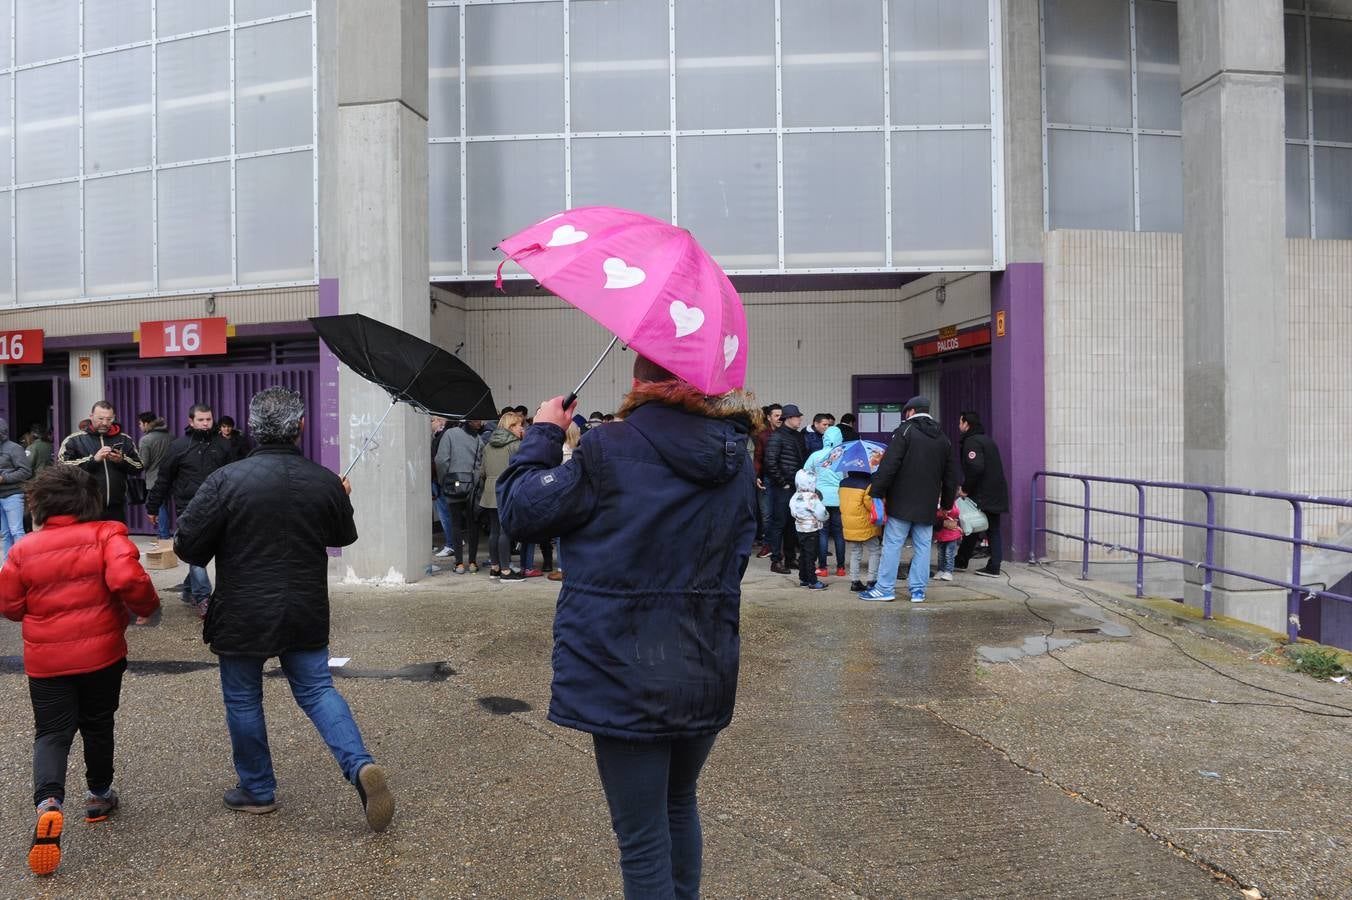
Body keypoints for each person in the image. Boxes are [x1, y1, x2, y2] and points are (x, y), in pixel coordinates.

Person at [497, 354, 757, 899]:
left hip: (622, 663)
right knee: (679, 802)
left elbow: (522, 511)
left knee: (640, 839)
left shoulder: (609, 446)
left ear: (639, 382)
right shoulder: (736, 455)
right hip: (703, 657)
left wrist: (544, 432)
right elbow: (736, 554)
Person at [173, 387, 394, 832]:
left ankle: (257, 790)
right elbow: (342, 537)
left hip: (242, 610)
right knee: (316, 691)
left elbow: (187, 545)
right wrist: (339, 494)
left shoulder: (225, 479)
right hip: (304, 606)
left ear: (252, 429)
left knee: (243, 698)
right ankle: (359, 764)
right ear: (300, 427)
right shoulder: (322, 479)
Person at [0, 465, 159, 876]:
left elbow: (10, 606)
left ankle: (49, 803)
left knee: (51, 733)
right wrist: (144, 609)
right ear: (89, 501)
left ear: (39, 504)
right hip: (101, 653)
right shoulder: (107, 533)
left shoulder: (23, 550)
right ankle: (99, 795)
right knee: (98, 722)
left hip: (46, 660)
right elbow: (127, 577)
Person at [859, 397, 959, 603]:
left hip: (901, 501)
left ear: (911, 412)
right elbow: (951, 476)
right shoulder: (943, 438)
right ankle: (918, 591)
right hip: (928, 503)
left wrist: (877, 491)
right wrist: (947, 504)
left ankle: (885, 588)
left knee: (893, 544)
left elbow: (889, 465)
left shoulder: (904, 432)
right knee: (923, 547)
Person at [146, 404, 234, 618]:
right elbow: (164, 479)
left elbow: (234, 476)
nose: (205, 423)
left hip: (218, 506)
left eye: (208, 419)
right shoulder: (178, 447)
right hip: (188, 508)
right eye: (201, 420)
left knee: (210, 552)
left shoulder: (223, 445)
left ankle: (188, 588)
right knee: (196, 552)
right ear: (191, 421)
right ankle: (204, 597)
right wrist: (153, 506)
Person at [58, 401, 143, 522]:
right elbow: (62, 467)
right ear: (91, 416)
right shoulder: (74, 440)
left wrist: (121, 460)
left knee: (116, 540)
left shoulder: (125, 439)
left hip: (117, 506)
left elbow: (139, 466)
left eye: (109, 419)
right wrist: (93, 460)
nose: (105, 423)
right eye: (101, 418)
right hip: (85, 505)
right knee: (89, 541)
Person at [955, 410, 1010, 577]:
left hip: (985, 494)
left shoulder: (972, 442)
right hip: (993, 491)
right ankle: (961, 560)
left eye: (960, 422)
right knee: (973, 525)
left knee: (992, 529)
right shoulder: (986, 440)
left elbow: (975, 468)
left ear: (966, 424)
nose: (959, 425)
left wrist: (965, 489)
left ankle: (994, 566)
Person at [480, 410, 525, 581]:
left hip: (490, 490)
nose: (522, 428)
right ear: (511, 426)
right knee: (505, 531)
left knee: (494, 531)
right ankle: (506, 571)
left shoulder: (488, 445)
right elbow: (519, 471)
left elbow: (482, 472)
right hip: (507, 489)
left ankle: (495, 568)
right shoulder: (515, 446)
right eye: (520, 424)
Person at [763, 403, 807, 574]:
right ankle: (776, 561)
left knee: (791, 524)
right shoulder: (777, 437)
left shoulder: (797, 436)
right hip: (783, 487)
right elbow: (770, 462)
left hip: (796, 486)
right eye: (797, 417)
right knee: (779, 523)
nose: (800, 419)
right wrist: (783, 483)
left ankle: (790, 559)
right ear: (788, 419)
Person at [440, 418, 485, 574]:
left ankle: (459, 563)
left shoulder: (450, 434)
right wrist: (477, 482)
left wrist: (444, 479)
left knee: (456, 524)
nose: (480, 422)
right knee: (473, 525)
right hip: (473, 487)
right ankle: (472, 562)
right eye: (477, 419)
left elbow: (441, 460)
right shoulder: (479, 439)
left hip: (454, 484)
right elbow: (480, 464)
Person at [803, 424, 846, 578]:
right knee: (839, 534)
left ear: (825, 438)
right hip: (839, 498)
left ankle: (823, 568)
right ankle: (841, 568)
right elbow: (847, 477)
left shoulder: (816, 455)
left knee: (822, 533)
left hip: (820, 499)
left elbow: (805, 473)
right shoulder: (844, 456)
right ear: (840, 439)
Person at [839, 469, 881, 592]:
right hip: (865, 524)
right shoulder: (867, 485)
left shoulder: (842, 484)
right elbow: (869, 506)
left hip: (849, 524)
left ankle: (855, 582)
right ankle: (871, 580)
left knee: (855, 552)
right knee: (874, 550)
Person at [137, 412, 173, 549]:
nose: (140, 427)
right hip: (171, 478)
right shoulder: (170, 436)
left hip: (154, 479)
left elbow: (143, 463)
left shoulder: (146, 440)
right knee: (166, 506)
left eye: (140, 424)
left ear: (146, 423)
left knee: (160, 507)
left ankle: (163, 537)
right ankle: (163, 536)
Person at [0, 418, 33, 564]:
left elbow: (26, 471)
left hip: (12, 494)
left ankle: (23, 564)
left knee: (16, 531)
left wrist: (4, 478)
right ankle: (8, 565)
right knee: (5, 534)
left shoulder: (14, 448)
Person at [789, 469, 829, 590]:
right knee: (811, 556)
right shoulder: (812, 497)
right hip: (811, 529)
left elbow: (792, 511)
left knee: (803, 554)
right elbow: (821, 512)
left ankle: (804, 578)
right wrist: (826, 517)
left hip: (800, 529)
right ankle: (813, 580)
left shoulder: (795, 496)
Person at [753, 404, 781, 558]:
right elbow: (758, 457)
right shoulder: (763, 435)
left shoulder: (787, 434)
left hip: (784, 480)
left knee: (783, 514)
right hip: (767, 479)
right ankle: (767, 544)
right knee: (766, 514)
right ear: (769, 417)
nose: (779, 419)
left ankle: (779, 546)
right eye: (776, 416)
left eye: (781, 416)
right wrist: (756, 475)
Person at [430, 416, 456, 559]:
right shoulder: (454, 434)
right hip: (451, 480)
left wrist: (439, 480)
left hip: (441, 481)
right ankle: (455, 540)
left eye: (432, 420)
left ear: (441, 421)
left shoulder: (442, 437)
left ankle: (451, 544)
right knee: (451, 513)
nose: (430, 424)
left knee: (445, 513)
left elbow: (440, 460)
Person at [933, 500, 963, 581]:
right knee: (941, 553)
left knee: (949, 553)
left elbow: (956, 512)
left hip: (951, 534)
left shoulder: (950, 501)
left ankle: (948, 571)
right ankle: (941, 570)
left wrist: (945, 511)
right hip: (941, 534)